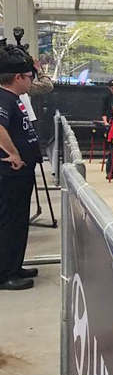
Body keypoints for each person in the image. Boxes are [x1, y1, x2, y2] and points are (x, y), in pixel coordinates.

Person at [0, 43, 39, 290]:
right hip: (11, 173)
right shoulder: (4, 98)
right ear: (17, 77)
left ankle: (15, 265)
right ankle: (6, 273)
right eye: (28, 77)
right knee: (10, 222)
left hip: (23, 172)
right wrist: (13, 153)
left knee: (19, 221)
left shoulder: (15, 98)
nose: (30, 82)